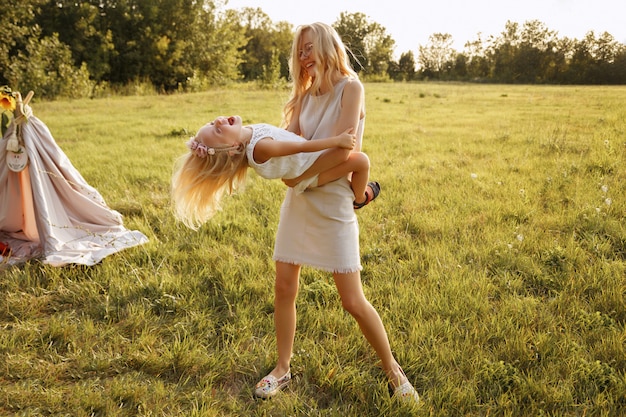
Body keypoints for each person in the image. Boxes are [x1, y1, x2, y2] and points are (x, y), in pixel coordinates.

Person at [253, 22, 420, 405]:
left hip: (332, 202)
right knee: (283, 288)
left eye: (309, 48)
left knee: (352, 300)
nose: (303, 56)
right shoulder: (303, 97)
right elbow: (287, 150)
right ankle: (282, 368)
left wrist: (302, 180)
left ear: (328, 46)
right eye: (299, 51)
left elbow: (345, 152)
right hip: (299, 203)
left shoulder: (352, 88)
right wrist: (296, 176)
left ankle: (394, 371)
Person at [171, 115, 380, 229]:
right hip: (310, 173)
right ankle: (360, 198)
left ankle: (355, 192)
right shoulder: (260, 147)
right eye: (217, 130)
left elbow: (287, 135)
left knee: (356, 157)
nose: (217, 121)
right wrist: (337, 141)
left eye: (211, 123)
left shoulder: (249, 134)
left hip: (308, 164)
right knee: (361, 162)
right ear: (233, 148)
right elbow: (300, 147)